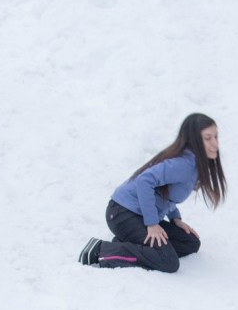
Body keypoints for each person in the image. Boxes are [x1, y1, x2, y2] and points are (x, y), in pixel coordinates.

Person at [78, 113, 227, 272]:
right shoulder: (184, 165)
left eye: (216, 137)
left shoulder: (193, 164)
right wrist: (152, 223)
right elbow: (144, 181)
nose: (215, 143)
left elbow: (166, 193)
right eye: (208, 138)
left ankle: (130, 243)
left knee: (190, 243)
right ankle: (101, 250)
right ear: (194, 140)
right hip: (122, 214)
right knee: (167, 261)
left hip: (138, 214)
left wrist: (175, 218)